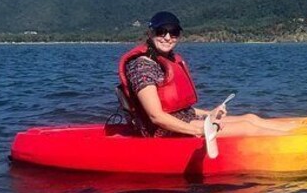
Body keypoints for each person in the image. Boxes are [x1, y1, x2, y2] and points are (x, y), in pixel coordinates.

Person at [118, 11, 294, 137]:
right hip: (162, 131)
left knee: (250, 118)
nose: (167, 37)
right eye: (161, 31)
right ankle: (300, 145)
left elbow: (176, 107)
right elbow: (156, 116)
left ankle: (301, 133)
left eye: (174, 32)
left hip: (183, 120)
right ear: (150, 33)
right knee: (248, 128)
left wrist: (208, 114)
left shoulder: (167, 60)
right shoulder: (141, 67)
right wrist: (201, 130)